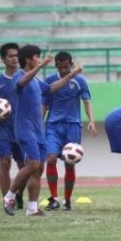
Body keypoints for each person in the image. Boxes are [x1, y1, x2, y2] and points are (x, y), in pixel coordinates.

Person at [3, 45, 82, 216]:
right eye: (37, 57)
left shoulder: (37, 81)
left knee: (38, 169)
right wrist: (41, 66)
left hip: (39, 129)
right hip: (25, 129)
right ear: (29, 60)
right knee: (32, 164)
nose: (39, 59)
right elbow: (21, 83)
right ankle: (9, 196)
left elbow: (52, 88)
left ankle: (32, 208)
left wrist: (72, 75)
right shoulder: (19, 76)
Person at [42, 51, 97, 211]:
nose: (64, 70)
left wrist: (92, 120)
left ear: (71, 64)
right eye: (61, 67)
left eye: (66, 67)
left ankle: (67, 200)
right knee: (51, 159)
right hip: (53, 125)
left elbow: (87, 102)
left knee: (69, 163)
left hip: (73, 126)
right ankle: (54, 198)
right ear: (56, 65)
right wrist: (39, 123)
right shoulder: (50, 81)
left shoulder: (80, 81)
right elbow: (44, 104)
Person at [0, 43, 26, 209]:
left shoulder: (25, 78)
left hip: (22, 127)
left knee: (25, 166)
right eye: (10, 56)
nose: (14, 58)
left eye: (16, 55)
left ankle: (18, 195)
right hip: (3, 129)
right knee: (5, 162)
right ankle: (7, 201)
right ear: (3, 60)